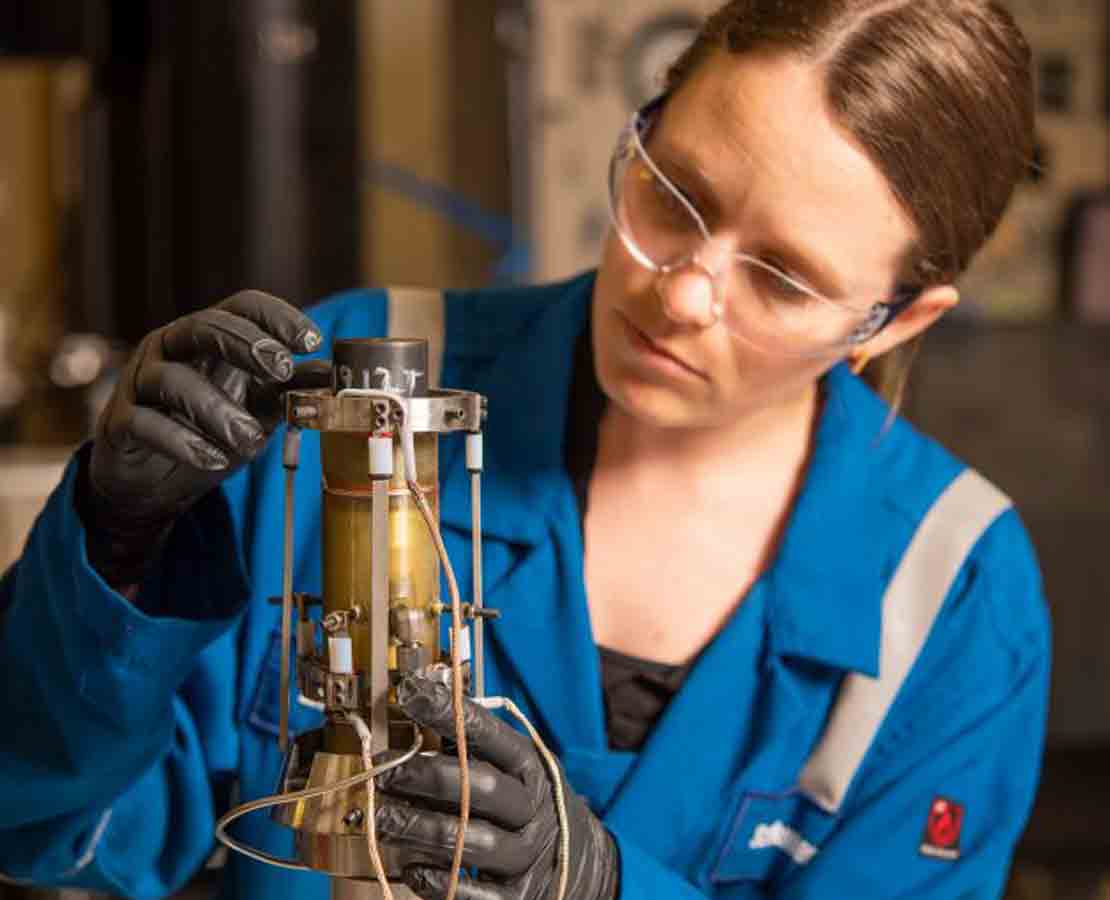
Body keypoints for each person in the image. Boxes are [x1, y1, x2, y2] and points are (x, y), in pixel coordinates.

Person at [0, 0, 1049, 898]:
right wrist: (115, 552)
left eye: (780, 277)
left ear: (895, 322)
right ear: (642, 124)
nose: (683, 294)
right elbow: (45, 826)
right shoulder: (357, 400)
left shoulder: (951, 592)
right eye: (674, 195)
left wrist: (601, 883)